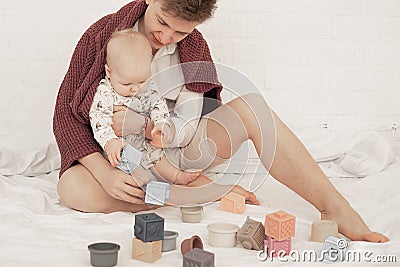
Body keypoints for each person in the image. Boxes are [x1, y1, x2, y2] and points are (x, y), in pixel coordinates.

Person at [54, 0, 388, 242]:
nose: (166, 36)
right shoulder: (102, 35)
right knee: (72, 188)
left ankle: (334, 207)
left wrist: (151, 129)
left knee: (254, 107)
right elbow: (65, 114)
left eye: (180, 32)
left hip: (173, 147)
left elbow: (193, 114)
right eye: (162, 22)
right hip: (117, 155)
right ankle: (204, 191)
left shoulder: (193, 46)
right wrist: (102, 172)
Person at [89, 28, 199, 185]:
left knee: (158, 157)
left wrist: (160, 123)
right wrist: (109, 141)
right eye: (126, 83)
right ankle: (144, 184)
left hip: (144, 141)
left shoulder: (149, 86)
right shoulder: (106, 91)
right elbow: (98, 118)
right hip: (120, 145)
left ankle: (175, 177)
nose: (135, 89)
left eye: (141, 81)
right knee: (127, 167)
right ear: (109, 72)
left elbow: (158, 105)